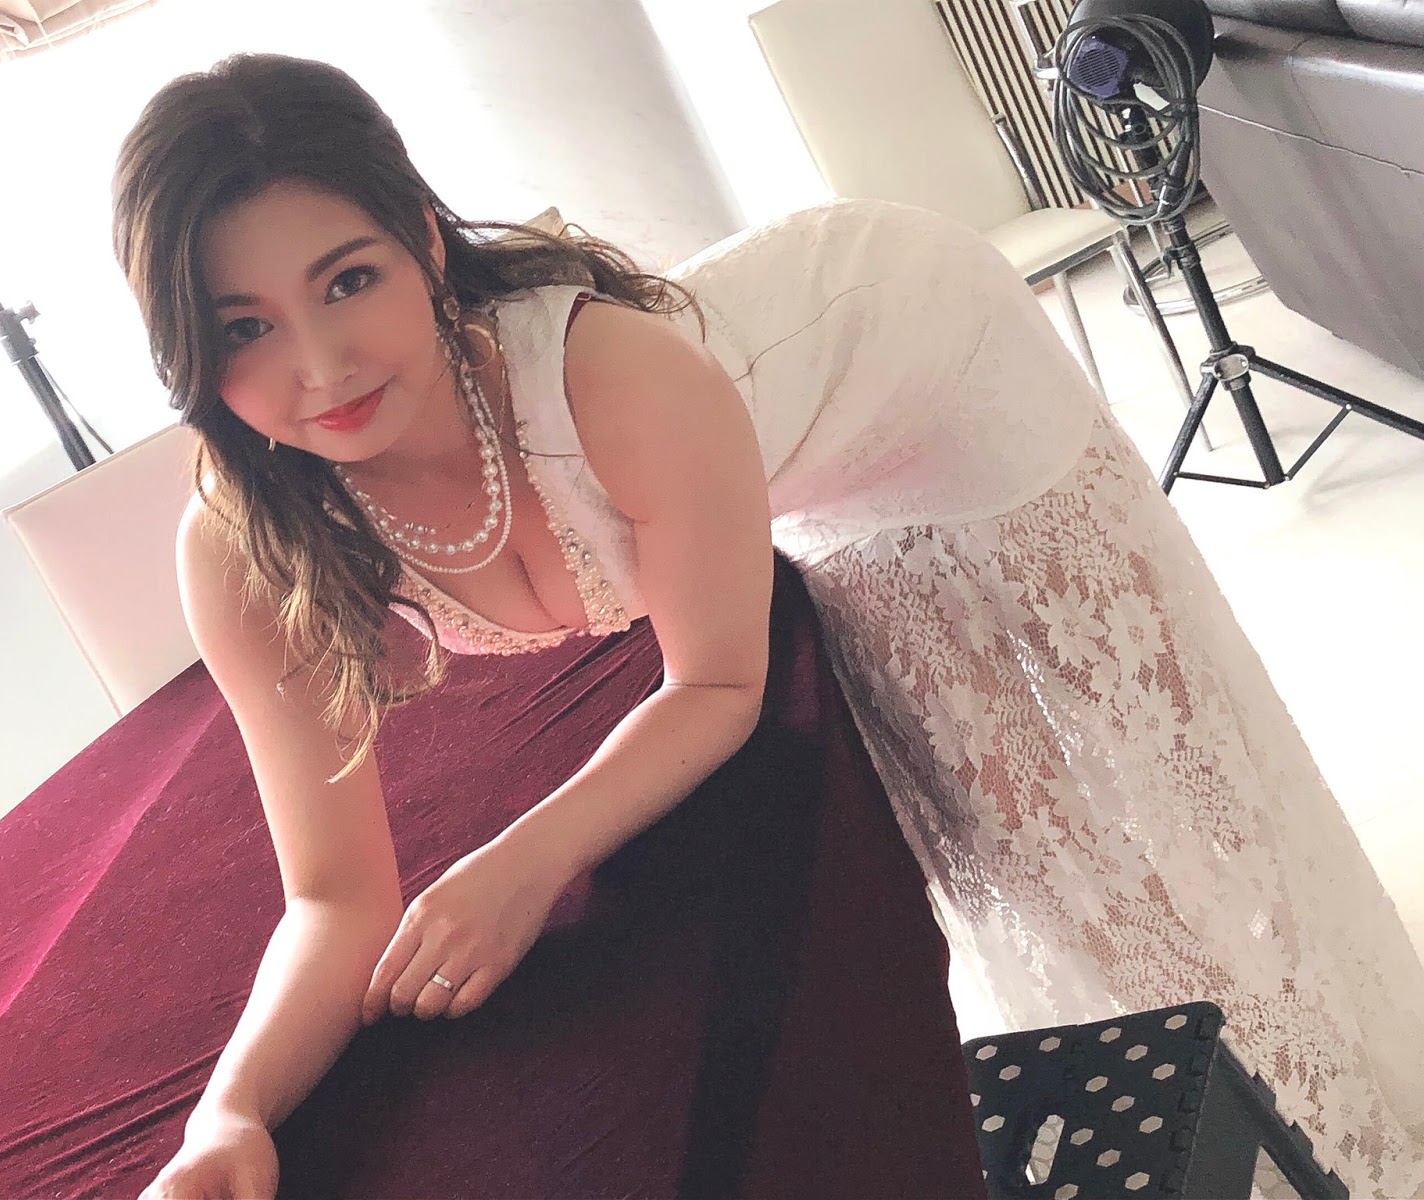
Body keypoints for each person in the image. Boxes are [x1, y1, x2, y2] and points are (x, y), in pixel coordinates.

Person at [115, 53, 1424, 1199]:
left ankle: (1350, 1118)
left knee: (1161, 786)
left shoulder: (610, 378)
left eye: (348, 281)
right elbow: (334, 895)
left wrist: (527, 863)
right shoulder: (241, 550)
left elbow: (717, 687)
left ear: (422, 240)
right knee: (1011, 839)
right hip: (785, 457)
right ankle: (1201, 1112)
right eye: (245, 328)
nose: (322, 368)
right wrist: (229, 1114)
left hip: (928, 368)